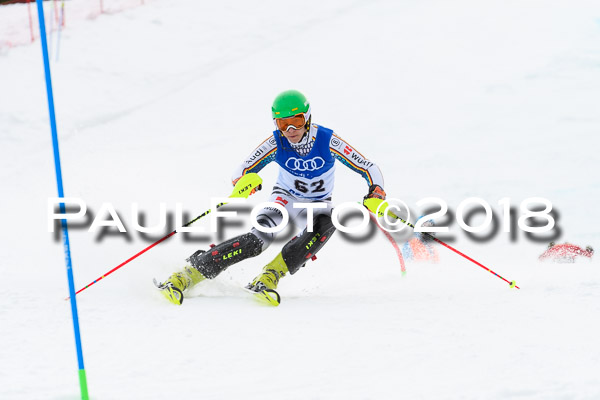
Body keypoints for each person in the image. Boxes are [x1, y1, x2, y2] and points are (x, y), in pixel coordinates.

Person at [156, 90, 386, 305]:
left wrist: (376, 192)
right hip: (284, 200)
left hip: (317, 205)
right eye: (282, 123)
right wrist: (244, 183)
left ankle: (269, 276)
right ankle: (186, 275)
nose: (290, 130)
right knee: (257, 241)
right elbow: (243, 170)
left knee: (329, 221)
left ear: (307, 118)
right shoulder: (276, 142)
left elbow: (368, 167)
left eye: (295, 121)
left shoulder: (326, 139)